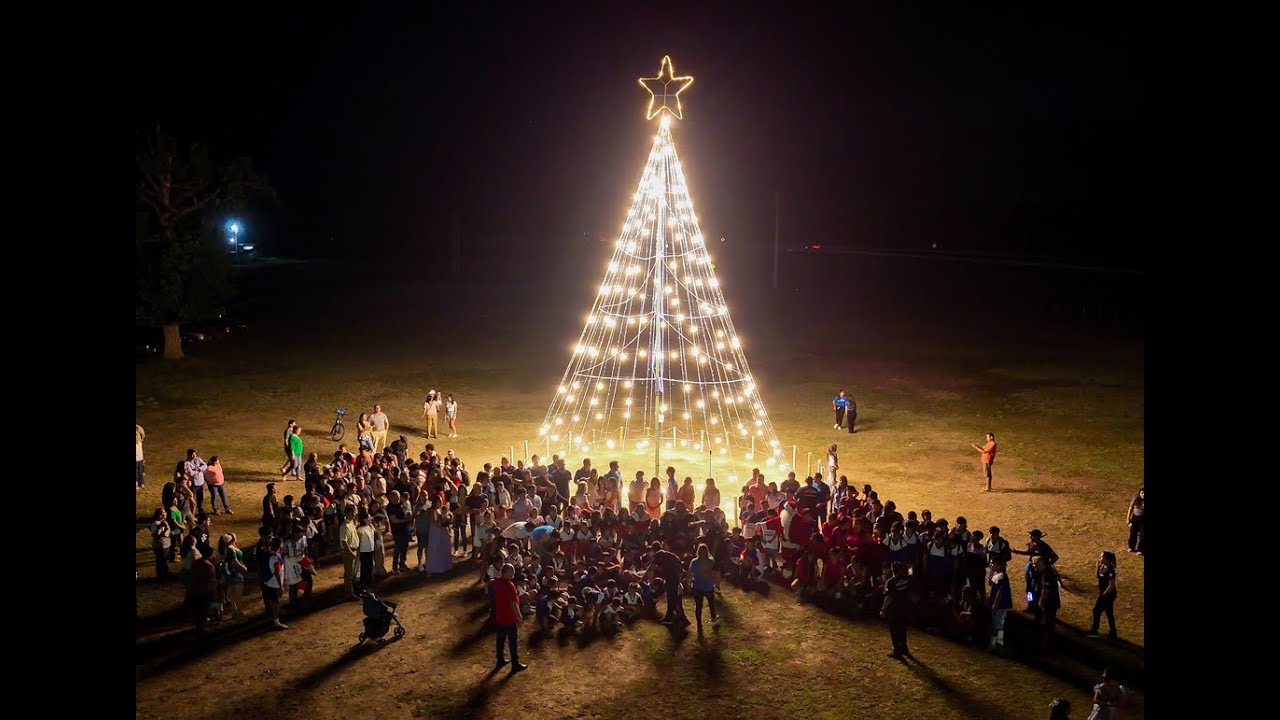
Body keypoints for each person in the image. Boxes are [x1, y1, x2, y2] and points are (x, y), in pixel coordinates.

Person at [492, 563, 528, 672]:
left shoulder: (496, 582)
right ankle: (515, 663)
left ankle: (500, 659)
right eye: (511, 571)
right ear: (506, 572)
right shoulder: (509, 585)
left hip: (499, 616)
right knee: (512, 641)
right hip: (509, 617)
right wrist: (519, 616)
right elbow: (513, 603)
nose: (513, 574)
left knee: (500, 639)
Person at [881, 561, 914, 659]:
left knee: (894, 630)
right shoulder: (907, 580)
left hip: (894, 609)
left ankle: (897, 650)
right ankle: (904, 648)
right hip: (905, 608)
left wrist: (883, 609)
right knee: (902, 629)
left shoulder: (890, 582)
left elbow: (889, 597)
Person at [651, 541, 689, 626]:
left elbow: (652, 568)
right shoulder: (671, 555)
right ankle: (677, 618)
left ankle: (673, 619)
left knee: (673, 600)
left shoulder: (658, 555)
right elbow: (680, 569)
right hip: (676, 579)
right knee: (676, 601)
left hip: (672, 580)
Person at [1086, 551, 1118, 639]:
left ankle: (1094, 630)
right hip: (1104, 593)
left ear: (1107, 559)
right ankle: (1113, 632)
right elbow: (1098, 576)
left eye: (1102, 557)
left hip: (1108, 594)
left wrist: (1103, 596)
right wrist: (1097, 567)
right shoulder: (1103, 567)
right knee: (1109, 612)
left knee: (1096, 610)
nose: (1100, 559)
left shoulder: (1111, 570)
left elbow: (1111, 585)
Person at [688, 544, 719, 630]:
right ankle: (714, 619)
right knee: (711, 604)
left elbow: (690, 575)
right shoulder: (711, 561)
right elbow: (715, 573)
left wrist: (688, 585)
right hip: (708, 586)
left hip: (697, 587)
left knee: (698, 606)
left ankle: (699, 624)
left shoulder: (694, 562)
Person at [987, 558, 1012, 651]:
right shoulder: (996, 574)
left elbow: (1000, 592)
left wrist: (995, 605)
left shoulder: (1001, 576)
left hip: (1001, 605)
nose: (991, 565)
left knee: (996, 624)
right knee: (999, 623)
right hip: (999, 604)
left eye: (992, 563)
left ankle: (994, 644)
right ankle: (999, 642)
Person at [149, 508, 172, 580]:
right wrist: (162, 531)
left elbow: (168, 532)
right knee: (161, 562)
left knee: (165, 561)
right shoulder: (155, 523)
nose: (165, 513)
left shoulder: (164, 522)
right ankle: (161, 576)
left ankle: (165, 574)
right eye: (163, 512)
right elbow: (154, 535)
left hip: (166, 545)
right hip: (160, 546)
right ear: (159, 515)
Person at [184, 449, 209, 514]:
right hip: (194, 484)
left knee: (200, 498)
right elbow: (190, 473)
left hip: (201, 483)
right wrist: (198, 471)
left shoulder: (198, 459)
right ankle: (191, 512)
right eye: (192, 455)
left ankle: (201, 511)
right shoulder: (186, 463)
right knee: (192, 499)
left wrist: (198, 469)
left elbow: (205, 466)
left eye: (194, 454)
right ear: (188, 455)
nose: (193, 456)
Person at [1126, 487, 1144, 555]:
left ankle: (1141, 549)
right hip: (1135, 518)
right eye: (1142, 493)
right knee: (1133, 533)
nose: (1143, 495)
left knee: (1142, 535)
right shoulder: (1135, 500)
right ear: (1139, 493)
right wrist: (1128, 518)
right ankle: (1131, 547)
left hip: (1143, 519)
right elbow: (1130, 509)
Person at [136, 424, 147, 489]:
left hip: (140, 459)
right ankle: (137, 484)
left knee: (140, 472)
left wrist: (137, 426)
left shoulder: (140, 442)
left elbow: (142, 433)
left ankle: (141, 483)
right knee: (136, 473)